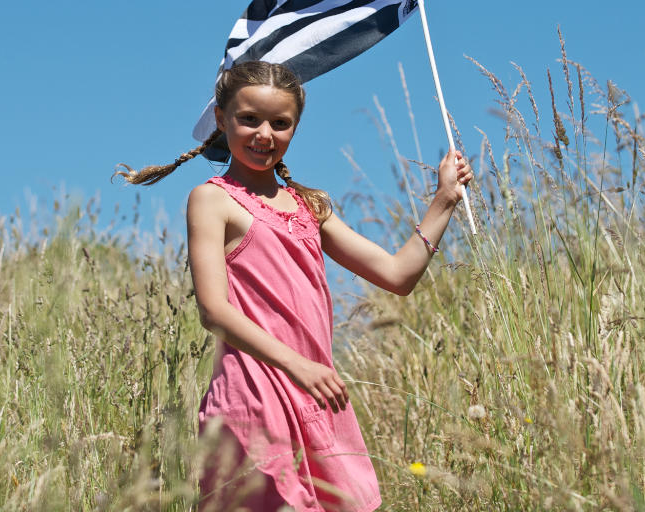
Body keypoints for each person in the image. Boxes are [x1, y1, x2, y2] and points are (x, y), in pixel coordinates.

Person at [117, 61, 471, 512]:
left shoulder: (310, 205)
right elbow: (214, 310)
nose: (264, 133)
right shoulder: (212, 199)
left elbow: (398, 275)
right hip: (255, 396)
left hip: (317, 396)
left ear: (295, 128)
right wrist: (295, 365)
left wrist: (443, 200)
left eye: (280, 123)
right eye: (249, 119)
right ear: (222, 120)